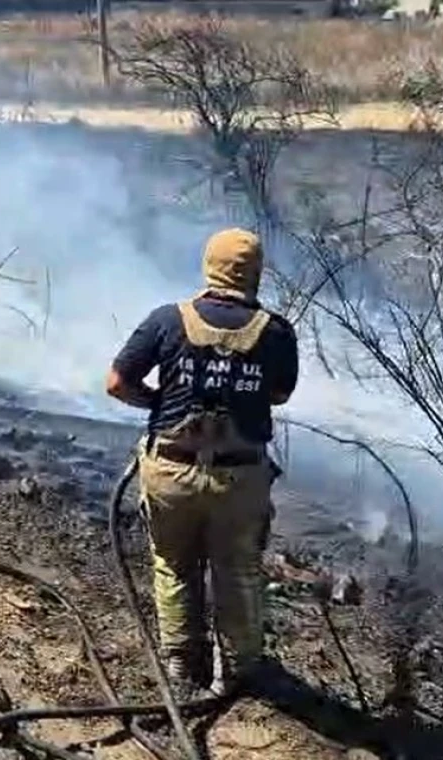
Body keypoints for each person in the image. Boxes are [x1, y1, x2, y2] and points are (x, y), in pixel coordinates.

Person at [105, 227, 299, 698]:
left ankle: (180, 662)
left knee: (173, 565)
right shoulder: (275, 332)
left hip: (170, 469)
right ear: (254, 272)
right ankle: (238, 670)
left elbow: (116, 382)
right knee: (237, 569)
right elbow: (280, 393)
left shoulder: (166, 320)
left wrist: (156, 403)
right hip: (239, 478)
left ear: (209, 266)